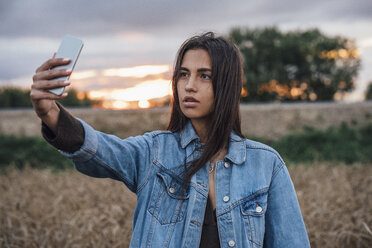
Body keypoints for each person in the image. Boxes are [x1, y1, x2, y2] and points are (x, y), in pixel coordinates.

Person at [31, 32, 310, 247]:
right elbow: (100, 150)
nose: (189, 85)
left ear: (227, 85)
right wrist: (51, 114)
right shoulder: (154, 152)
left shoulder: (266, 164)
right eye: (183, 74)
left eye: (204, 76)